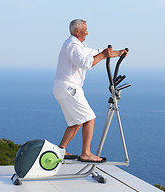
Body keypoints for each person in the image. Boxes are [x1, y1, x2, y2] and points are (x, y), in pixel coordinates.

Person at [53, 19, 127, 162]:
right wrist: (103, 55)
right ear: (77, 31)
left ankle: (61, 150)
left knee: (77, 121)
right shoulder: (72, 45)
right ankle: (86, 153)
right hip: (69, 87)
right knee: (89, 117)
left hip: (65, 87)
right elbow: (86, 63)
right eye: (85, 29)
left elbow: (97, 52)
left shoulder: (79, 46)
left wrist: (118, 53)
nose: (87, 32)